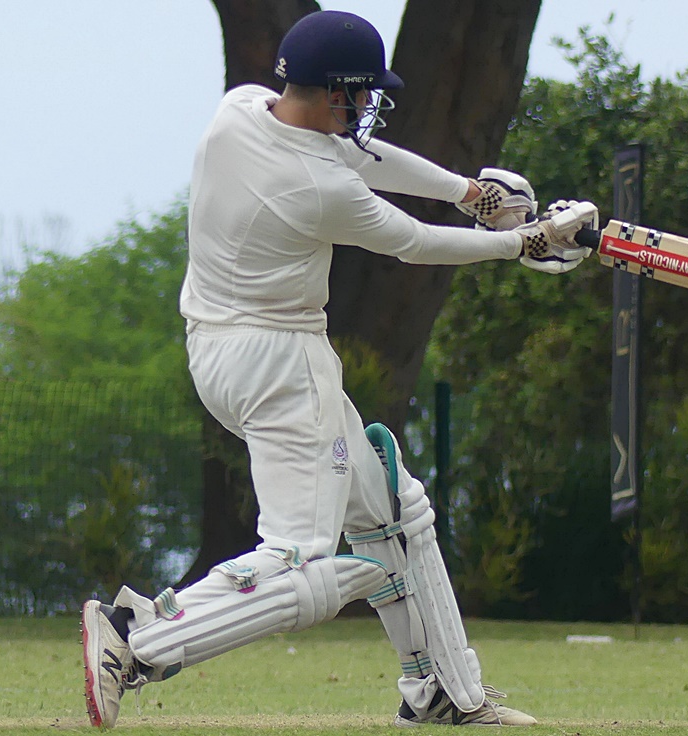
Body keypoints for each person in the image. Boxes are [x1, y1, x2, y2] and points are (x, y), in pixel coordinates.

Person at [81, 9, 598, 730]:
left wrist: (471, 195)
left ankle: (444, 692)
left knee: (392, 509)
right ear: (336, 93)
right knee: (300, 559)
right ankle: (136, 640)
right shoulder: (317, 190)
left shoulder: (241, 111)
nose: (368, 107)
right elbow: (414, 243)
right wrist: (526, 243)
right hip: (281, 363)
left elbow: (361, 155)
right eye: (362, 94)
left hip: (220, 350)